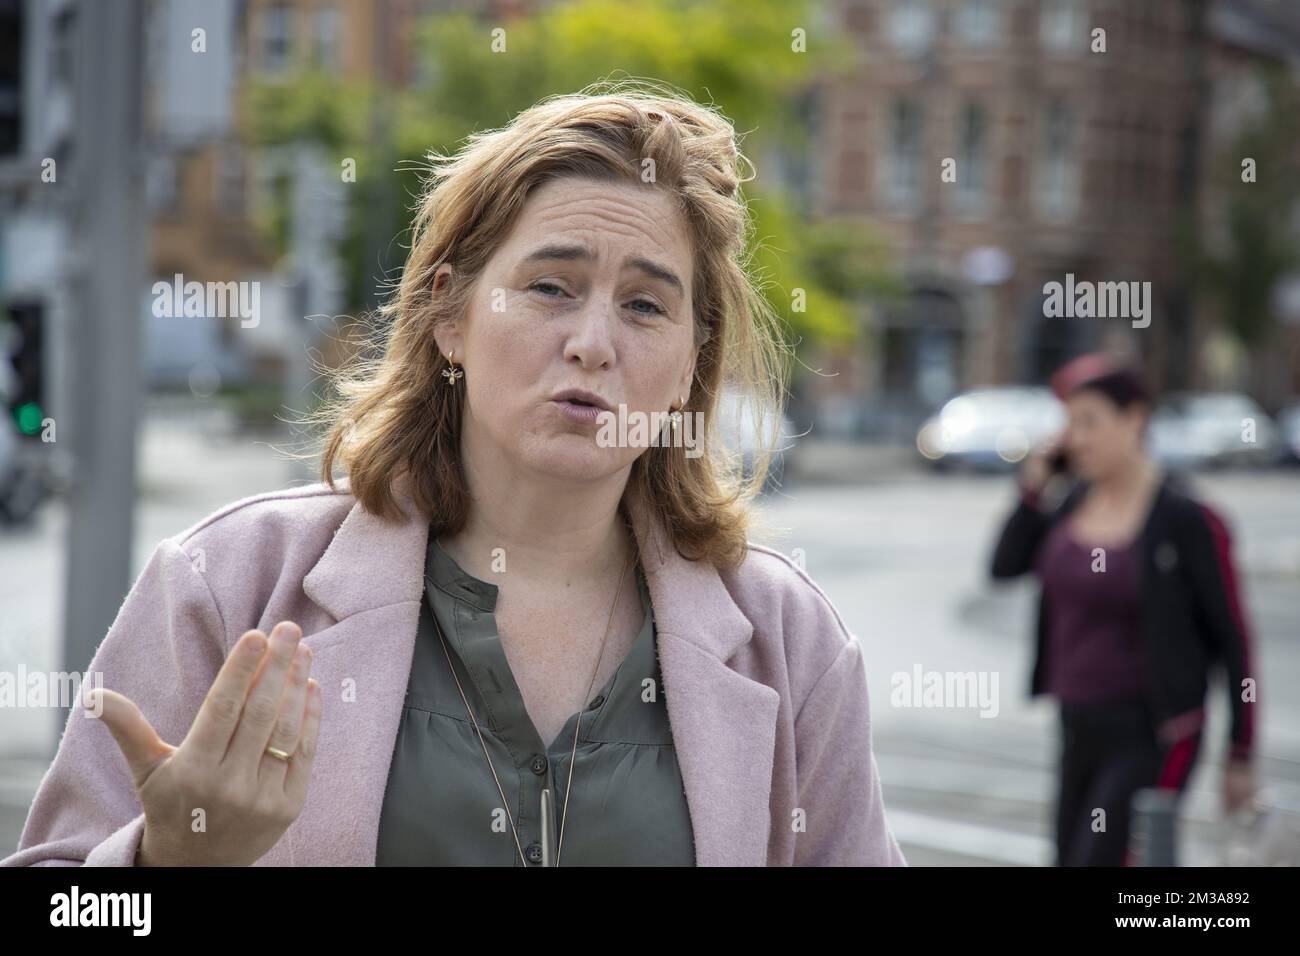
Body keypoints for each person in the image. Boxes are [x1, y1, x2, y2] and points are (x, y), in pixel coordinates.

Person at [3, 81, 905, 867]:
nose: (593, 343)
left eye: (645, 304)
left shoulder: (789, 641)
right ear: (450, 317)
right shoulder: (227, 584)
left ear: (691, 363)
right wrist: (169, 863)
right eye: (551, 286)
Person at [990, 353, 1257, 866]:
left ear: (1135, 418)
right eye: (1069, 423)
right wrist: (1033, 487)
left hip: (1156, 732)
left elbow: (1235, 638)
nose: (1077, 438)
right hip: (1077, 723)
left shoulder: (1188, 520)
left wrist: (1240, 752)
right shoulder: (1071, 504)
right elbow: (1003, 567)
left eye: (1090, 421)